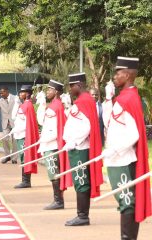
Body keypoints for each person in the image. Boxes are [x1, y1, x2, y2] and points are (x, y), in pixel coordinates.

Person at [102, 57, 151, 239]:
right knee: (124, 201)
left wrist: (115, 149)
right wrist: (108, 99)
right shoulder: (123, 97)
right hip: (117, 159)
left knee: (127, 202)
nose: (115, 76)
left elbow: (133, 134)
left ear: (128, 74)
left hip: (123, 159)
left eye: (118, 73)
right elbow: (110, 124)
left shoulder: (129, 98)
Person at [63, 72, 103, 226]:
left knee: (81, 181)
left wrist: (74, 141)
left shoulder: (83, 102)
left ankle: (82, 216)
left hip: (80, 148)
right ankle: (82, 215)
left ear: (78, 85)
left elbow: (86, 126)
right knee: (81, 180)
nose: (70, 89)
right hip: (78, 146)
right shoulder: (84, 100)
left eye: (71, 86)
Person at [36, 80, 72, 210]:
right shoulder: (53, 105)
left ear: (56, 91)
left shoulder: (56, 106)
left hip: (52, 145)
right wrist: (41, 104)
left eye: (49, 89)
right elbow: (42, 122)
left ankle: (58, 201)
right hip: (48, 144)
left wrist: (44, 139)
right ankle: (57, 200)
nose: (47, 92)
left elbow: (57, 130)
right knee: (53, 173)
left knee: (54, 173)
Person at [11, 85, 40, 189]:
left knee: (25, 158)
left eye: (22, 92)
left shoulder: (28, 106)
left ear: (27, 94)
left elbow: (27, 123)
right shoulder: (23, 105)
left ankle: (26, 181)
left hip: (24, 136)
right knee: (23, 157)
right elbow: (17, 119)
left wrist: (17, 129)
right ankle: (25, 180)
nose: (20, 94)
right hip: (19, 135)